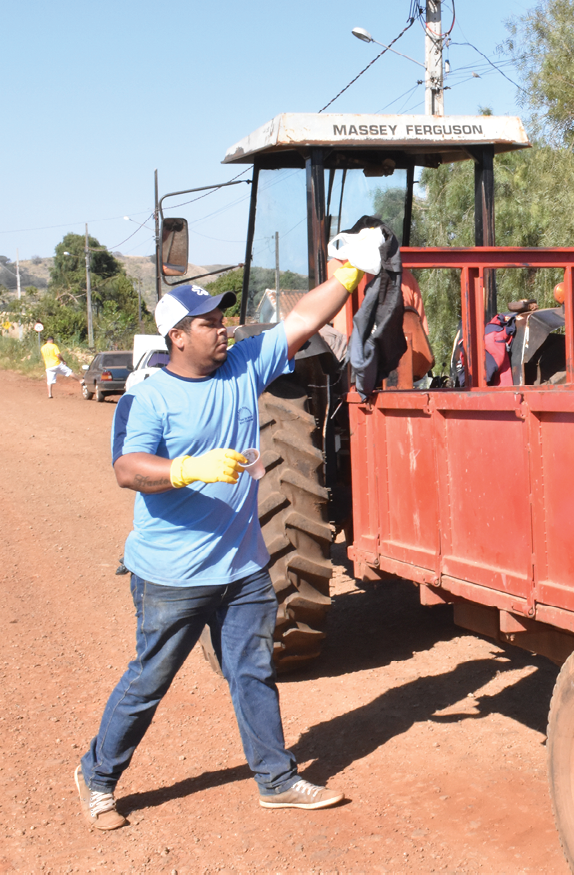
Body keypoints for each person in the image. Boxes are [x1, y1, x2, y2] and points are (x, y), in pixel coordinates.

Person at [74, 238, 384, 831]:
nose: (223, 330)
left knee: (253, 672)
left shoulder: (245, 366)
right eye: (209, 323)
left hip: (242, 567)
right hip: (171, 573)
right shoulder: (149, 396)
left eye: (223, 320)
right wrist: (188, 469)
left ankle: (276, 779)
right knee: (149, 680)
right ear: (177, 338)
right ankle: (98, 776)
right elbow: (127, 469)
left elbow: (299, 319)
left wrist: (347, 275)